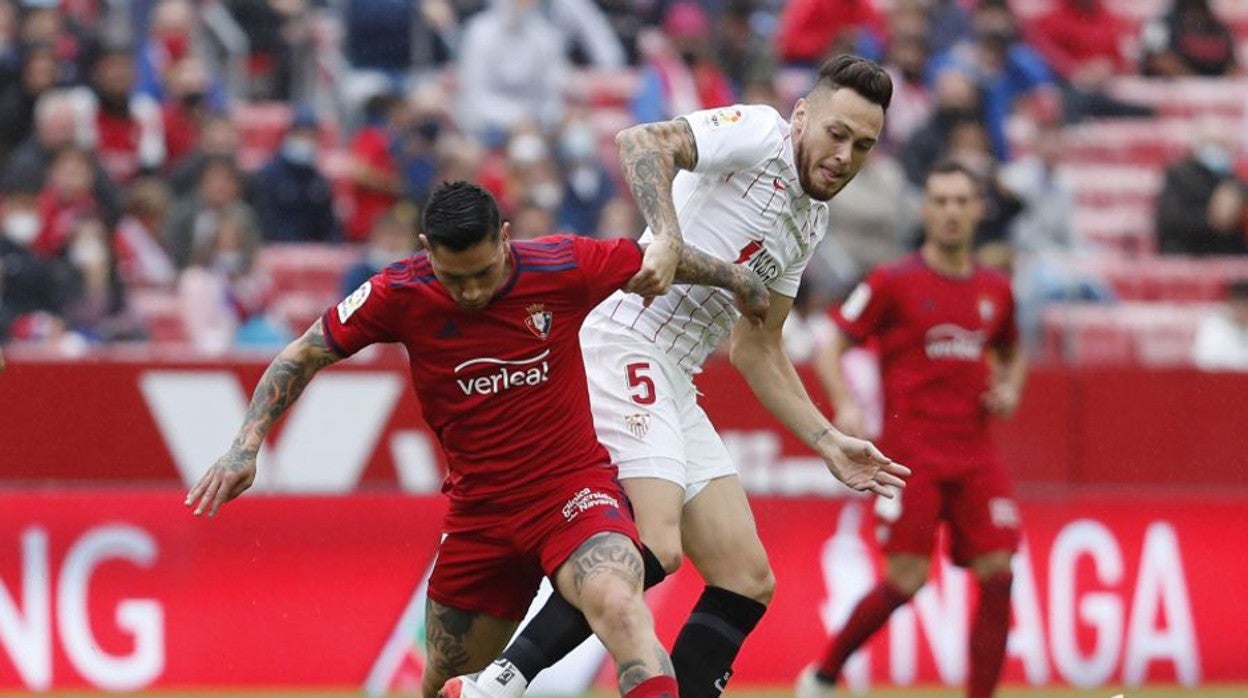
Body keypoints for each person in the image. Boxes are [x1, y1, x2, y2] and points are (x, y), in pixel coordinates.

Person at [184, 181, 775, 698]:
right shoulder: (398, 292)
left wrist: (739, 279)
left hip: (571, 493)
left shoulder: (561, 266)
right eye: (454, 278)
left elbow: (657, 258)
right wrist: (245, 445)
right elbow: (304, 353)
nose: (470, 292)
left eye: (483, 273)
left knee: (621, 605)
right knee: (446, 682)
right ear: (426, 251)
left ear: (506, 238)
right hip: (480, 517)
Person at [443, 54, 911, 698]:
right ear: (803, 115)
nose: (844, 156)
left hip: (676, 377)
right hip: (624, 343)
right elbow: (641, 141)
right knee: (657, 543)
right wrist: (665, 236)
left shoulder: (811, 220)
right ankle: (498, 683)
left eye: (862, 146)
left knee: (746, 578)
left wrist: (827, 440)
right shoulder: (760, 133)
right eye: (837, 133)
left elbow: (757, 349)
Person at [795, 160, 1027, 698]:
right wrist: (844, 405)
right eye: (940, 201)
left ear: (978, 210)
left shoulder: (996, 289)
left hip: (975, 455)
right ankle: (824, 675)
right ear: (925, 210)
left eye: (961, 201)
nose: (950, 212)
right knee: (906, 579)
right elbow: (831, 345)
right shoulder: (892, 281)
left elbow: (1013, 350)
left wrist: (1011, 388)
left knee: (999, 571)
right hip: (910, 457)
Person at [1192, 278, 1248, 371]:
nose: (1243, 310)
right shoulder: (1214, 326)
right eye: (1240, 304)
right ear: (1231, 304)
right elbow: (1204, 359)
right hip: (1220, 377)